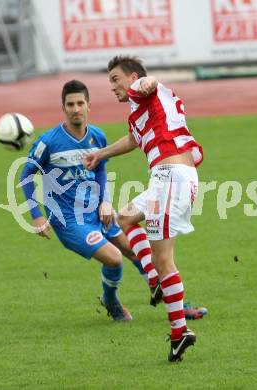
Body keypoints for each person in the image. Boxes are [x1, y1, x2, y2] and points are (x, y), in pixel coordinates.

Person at [84, 56, 204, 362]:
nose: (112, 87)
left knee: (165, 262)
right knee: (124, 217)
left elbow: (147, 85)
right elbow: (133, 139)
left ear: (132, 76)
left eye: (115, 79)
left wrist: (146, 83)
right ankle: (153, 281)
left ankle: (180, 332)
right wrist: (100, 154)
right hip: (168, 178)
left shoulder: (143, 89)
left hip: (171, 177)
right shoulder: (140, 112)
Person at [20, 79, 163, 322]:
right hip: (69, 221)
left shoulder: (97, 136)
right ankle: (110, 300)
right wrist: (37, 216)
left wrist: (105, 201)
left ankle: (170, 297)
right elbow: (26, 175)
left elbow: (100, 170)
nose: (75, 108)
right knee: (114, 258)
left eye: (80, 103)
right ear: (63, 108)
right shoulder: (48, 142)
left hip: (97, 211)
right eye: (70, 104)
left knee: (138, 251)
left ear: (88, 106)